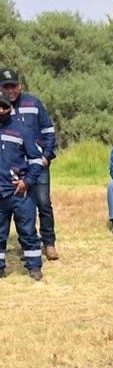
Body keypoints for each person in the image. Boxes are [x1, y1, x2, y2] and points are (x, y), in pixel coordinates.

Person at [0, 67, 58, 261]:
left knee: (43, 203)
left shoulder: (33, 103)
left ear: (20, 85)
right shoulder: (1, 106)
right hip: (13, 171)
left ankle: (48, 243)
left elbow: (49, 131)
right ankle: (27, 246)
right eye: (6, 86)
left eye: (13, 86)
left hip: (37, 164)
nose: (10, 90)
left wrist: (46, 156)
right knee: (22, 208)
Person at [0, 91, 43, 280]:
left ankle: (34, 267)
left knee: (27, 230)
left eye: (4, 106)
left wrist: (27, 182)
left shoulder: (22, 130)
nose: (1, 110)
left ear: (10, 108)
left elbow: (35, 160)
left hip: (19, 192)